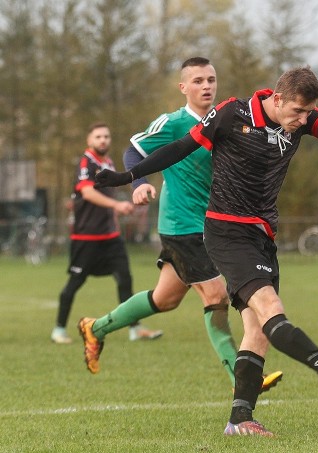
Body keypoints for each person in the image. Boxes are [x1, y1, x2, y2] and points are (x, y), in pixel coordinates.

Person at [94, 66, 318, 437]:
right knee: (270, 310)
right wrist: (127, 177)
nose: (303, 120)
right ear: (277, 99)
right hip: (227, 231)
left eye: (308, 113)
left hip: (262, 234)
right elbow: (180, 148)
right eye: (297, 111)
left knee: (257, 330)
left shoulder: (299, 119)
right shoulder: (233, 114)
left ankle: (240, 419)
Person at [76, 57, 283, 393]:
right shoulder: (173, 123)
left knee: (165, 299)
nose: (206, 86)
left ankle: (95, 328)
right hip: (182, 224)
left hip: (215, 223)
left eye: (211, 80)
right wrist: (138, 183)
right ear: (183, 87)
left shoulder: (228, 120)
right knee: (215, 294)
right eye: (198, 80)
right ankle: (243, 378)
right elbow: (134, 150)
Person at [52, 123, 161, 344]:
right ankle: (59, 330)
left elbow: (108, 200)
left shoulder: (108, 163)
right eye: (98, 136)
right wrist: (116, 206)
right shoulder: (86, 162)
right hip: (87, 237)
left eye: (106, 136)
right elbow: (87, 192)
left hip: (110, 237)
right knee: (75, 282)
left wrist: (121, 210)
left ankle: (135, 328)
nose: (103, 140)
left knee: (125, 279)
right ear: (89, 140)